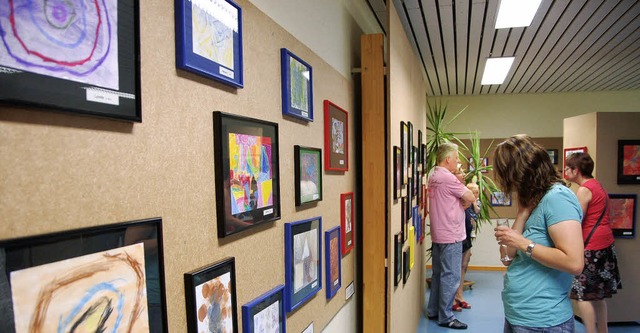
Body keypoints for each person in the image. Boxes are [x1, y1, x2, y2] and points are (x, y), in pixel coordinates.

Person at [493, 134, 585, 332]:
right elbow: (507, 258)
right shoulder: (533, 199)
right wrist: (521, 215)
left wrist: (522, 243)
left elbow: (574, 263)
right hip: (519, 315)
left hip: (544, 320)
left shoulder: (557, 198)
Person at [565, 152, 621, 333]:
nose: (565, 170)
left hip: (591, 246)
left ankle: (590, 331)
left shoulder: (584, 189)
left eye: (568, 168)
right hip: (605, 245)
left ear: (576, 170)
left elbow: (577, 218)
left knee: (583, 295)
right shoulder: (598, 185)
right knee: (598, 296)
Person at [426, 142, 475, 330]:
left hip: (439, 233)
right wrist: (464, 200)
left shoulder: (433, 175)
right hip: (452, 234)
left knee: (439, 274)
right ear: (448, 159)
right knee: (451, 276)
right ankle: (446, 317)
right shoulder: (447, 177)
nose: (458, 162)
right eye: (456, 159)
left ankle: (433, 310)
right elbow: (470, 196)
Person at [453, 182, 479, 311]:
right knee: (454, 268)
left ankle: (459, 295)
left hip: (467, 236)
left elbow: (476, 212)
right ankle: (452, 298)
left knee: (464, 266)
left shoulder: (473, 202)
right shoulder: (456, 193)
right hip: (456, 236)